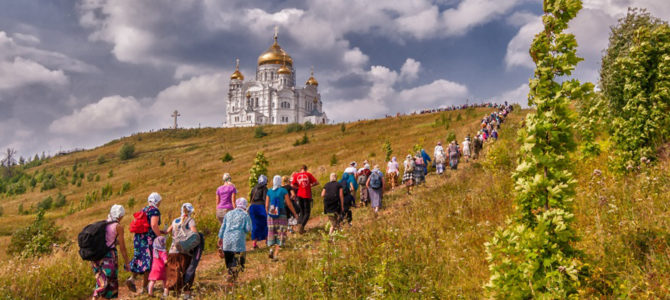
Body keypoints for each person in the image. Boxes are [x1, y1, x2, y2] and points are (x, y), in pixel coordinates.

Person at [92, 205, 130, 300]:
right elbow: (123, 248)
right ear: (120, 215)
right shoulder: (118, 226)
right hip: (109, 258)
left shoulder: (104, 223)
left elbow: (107, 240)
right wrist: (127, 262)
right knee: (108, 283)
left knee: (102, 281)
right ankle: (95, 297)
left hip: (96, 256)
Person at [127, 193, 163, 294]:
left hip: (139, 238)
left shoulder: (144, 209)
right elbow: (154, 225)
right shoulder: (155, 210)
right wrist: (160, 237)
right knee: (149, 261)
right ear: (157, 201)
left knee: (139, 258)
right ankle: (145, 288)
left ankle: (132, 278)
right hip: (148, 240)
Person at [165, 203, 198, 299]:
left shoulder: (175, 220)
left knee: (171, 272)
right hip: (185, 251)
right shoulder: (190, 221)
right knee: (187, 272)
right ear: (190, 211)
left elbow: (167, 231)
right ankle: (186, 294)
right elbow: (195, 234)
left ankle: (166, 294)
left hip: (173, 250)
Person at [218, 198, 252, 283]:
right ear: (245, 206)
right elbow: (248, 229)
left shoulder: (228, 213)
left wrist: (220, 238)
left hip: (227, 240)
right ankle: (233, 280)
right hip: (238, 241)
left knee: (229, 260)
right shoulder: (245, 215)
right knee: (237, 262)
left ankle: (230, 275)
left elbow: (223, 227)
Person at [266, 175, 298, 260]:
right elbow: (289, 204)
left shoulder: (269, 191)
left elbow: (266, 205)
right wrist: (295, 213)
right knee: (281, 234)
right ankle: (276, 255)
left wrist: (268, 214)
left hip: (271, 215)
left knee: (272, 233)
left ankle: (271, 249)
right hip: (282, 214)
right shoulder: (283, 191)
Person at [291, 165, 319, 234]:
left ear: (300, 169)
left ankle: (299, 224)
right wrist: (310, 185)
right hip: (306, 195)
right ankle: (302, 227)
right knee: (307, 212)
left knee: (302, 211)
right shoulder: (308, 174)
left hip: (299, 195)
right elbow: (316, 182)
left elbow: (292, 185)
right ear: (306, 169)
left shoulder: (296, 175)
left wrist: (298, 187)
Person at [249, 175, 268, 249]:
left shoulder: (254, 188)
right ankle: (267, 241)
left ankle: (254, 243)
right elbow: (265, 199)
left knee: (255, 225)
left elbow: (251, 199)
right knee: (265, 223)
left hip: (253, 207)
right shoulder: (264, 188)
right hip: (261, 207)